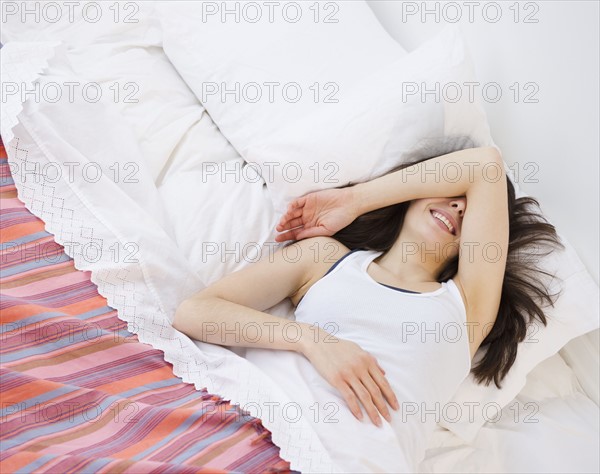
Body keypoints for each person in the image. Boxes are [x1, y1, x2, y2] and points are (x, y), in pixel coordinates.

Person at [173, 146, 563, 471]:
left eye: (469, 205)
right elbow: (194, 313)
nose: (459, 206)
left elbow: (486, 167)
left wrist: (353, 199)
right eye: (449, 189)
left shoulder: (466, 307)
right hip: (248, 425)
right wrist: (313, 341)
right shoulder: (325, 258)